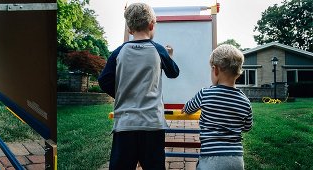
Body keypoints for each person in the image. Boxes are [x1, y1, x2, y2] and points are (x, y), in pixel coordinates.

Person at [97, 2, 180, 169]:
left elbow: (103, 80)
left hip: (125, 125)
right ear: (151, 25)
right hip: (152, 125)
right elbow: (174, 73)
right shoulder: (158, 50)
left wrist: (123, 94)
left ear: (129, 29)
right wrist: (169, 56)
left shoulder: (118, 52)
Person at [183, 45, 253, 170]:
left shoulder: (205, 93)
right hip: (236, 159)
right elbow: (247, 127)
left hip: (211, 158)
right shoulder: (245, 101)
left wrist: (186, 107)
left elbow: (188, 109)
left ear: (215, 70)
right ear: (238, 72)